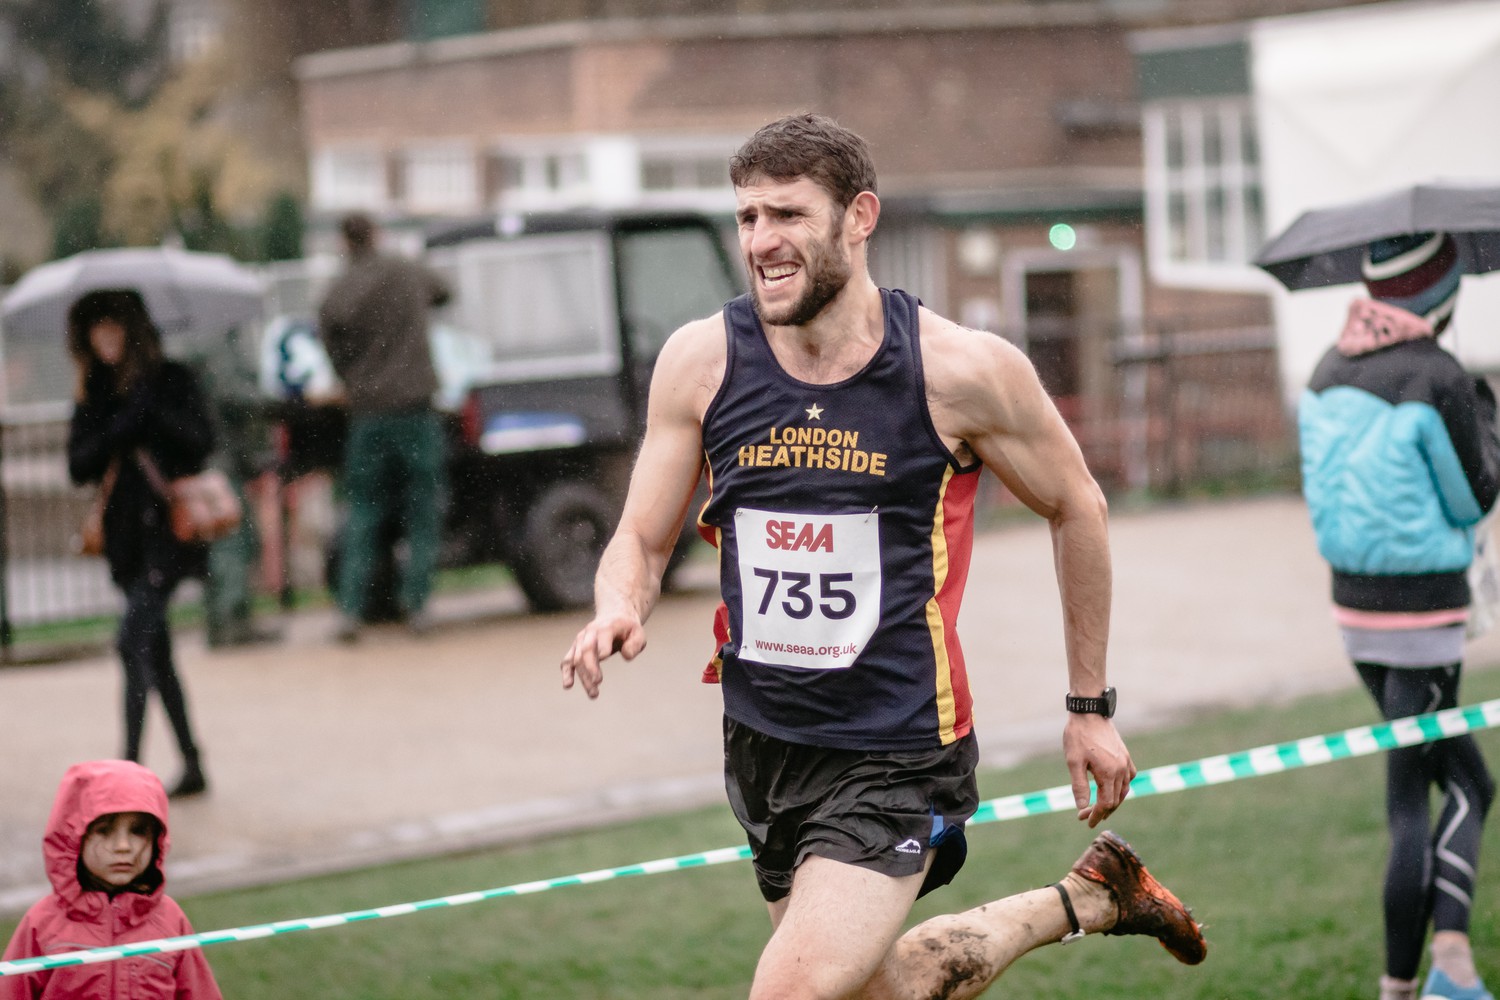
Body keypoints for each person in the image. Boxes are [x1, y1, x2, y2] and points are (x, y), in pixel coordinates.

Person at [559, 113, 1205, 1000]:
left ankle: (1086, 898)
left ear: (859, 217)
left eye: (787, 215)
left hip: (899, 747)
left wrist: (1089, 705)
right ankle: (1088, 899)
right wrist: (619, 603)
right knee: (875, 990)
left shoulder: (959, 372)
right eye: (747, 218)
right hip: (765, 740)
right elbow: (638, 537)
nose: (761, 241)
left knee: (790, 993)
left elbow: (1076, 505)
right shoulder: (702, 362)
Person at [1299, 232, 1500, 1000]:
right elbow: (1473, 496)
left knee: (1433, 781)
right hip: (1425, 617)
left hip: (1355, 613)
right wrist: (1485, 419)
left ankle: (1414, 978)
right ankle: (1437, 968)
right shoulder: (1439, 374)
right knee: (1446, 793)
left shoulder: (1323, 369)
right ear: (1441, 296)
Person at [66, 290, 213, 799]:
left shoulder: (171, 380)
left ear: (133, 329)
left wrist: (151, 416)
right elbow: (78, 464)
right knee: (156, 651)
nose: (104, 339)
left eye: (113, 327)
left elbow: (201, 442)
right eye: (95, 330)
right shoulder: (96, 392)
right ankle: (192, 762)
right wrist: (118, 427)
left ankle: (126, 774)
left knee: (132, 644)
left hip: (169, 536)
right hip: (126, 540)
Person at [318, 211, 450, 641]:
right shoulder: (405, 272)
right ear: (376, 234)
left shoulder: (337, 290)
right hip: (415, 409)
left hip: (368, 414)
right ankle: (418, 605)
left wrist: (352, 377)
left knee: (362, 513)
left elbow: (329, 340)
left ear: (344, 241)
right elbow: (446, 291)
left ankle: (351, 611)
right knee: (421, 511)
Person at [1, 760, 223, 1000]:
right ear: (73, 838)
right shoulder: (42, 923)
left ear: (157, 839)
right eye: (104, 831)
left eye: (138, 831)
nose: (123, 846)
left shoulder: (171, 921)